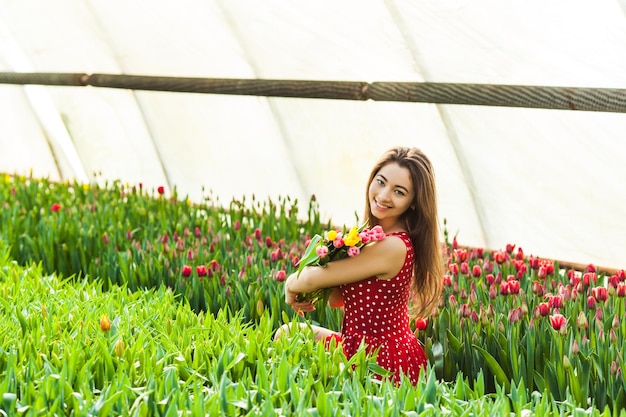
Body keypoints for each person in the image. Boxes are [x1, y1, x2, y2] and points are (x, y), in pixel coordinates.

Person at [274, 146, 443, 385]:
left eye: (399, 192)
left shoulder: (394, 246)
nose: (384, 195)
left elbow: (309, 279)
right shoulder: (376, 238)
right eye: (381, 182)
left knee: (289, 335)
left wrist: (292, 284)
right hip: (361, 346)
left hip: (382, 359)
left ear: (414, 202)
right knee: (289, 333)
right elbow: (336, 301)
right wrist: (334, 255)